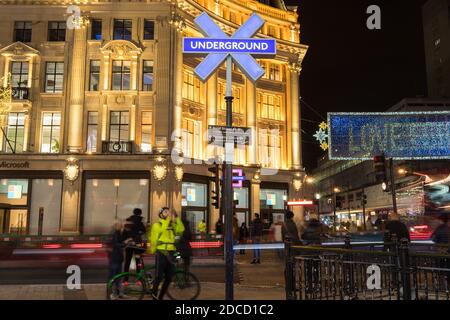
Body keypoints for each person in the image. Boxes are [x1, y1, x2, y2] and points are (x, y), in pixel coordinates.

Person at [149, 207, 185, 300]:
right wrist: (153, 250)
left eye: (168, 212)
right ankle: (154, 296)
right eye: (165, 211)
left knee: (169, 277)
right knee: (159, 277)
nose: (167, 213)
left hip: (171, 251)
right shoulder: (157, 225)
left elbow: (181, 229)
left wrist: (176, 217)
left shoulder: (171, 224)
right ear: (160, 214)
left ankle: (160, 297)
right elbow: (154, 239)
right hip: (161, 252)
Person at [123, 208, 146, 279]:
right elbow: (144, 231)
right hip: (137, 245)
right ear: (140, 213)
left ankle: (125, 279)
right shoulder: (140, 221)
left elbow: (124, 232)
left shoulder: (128, 221)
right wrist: (139, 233)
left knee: (127, 261)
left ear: (133, 212)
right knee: (138, 260)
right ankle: (138, 278)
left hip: (129, 244)